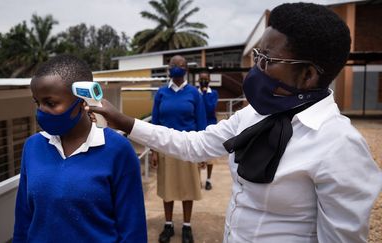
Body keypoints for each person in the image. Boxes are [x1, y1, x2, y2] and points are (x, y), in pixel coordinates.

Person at [87, 3, 382, 242]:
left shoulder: (339, 146)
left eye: (267, 59)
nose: (256, 68)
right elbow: (194, 144)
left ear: (308, 75)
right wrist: (123, 120)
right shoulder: (253, 115)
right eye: (257, 55)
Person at [12, 54, 147, 243]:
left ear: (83, 100)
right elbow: (23, 218)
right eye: (37, 102)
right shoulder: (33, 147)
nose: (41, 110)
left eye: (50, 103)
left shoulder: (117, 150)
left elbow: (133, 230)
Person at [149, 55, 207, 243]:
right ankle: (168, 224)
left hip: (188, 147)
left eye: (180, 65)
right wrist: (154, 151)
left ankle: (187, 226)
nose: (176, 68)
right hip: (166, 147)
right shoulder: (161, 93)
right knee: (168, 188)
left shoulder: (194, 94)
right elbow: (155, 124)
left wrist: (203, 152)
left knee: (187, 188)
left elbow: (201, 123)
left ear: (186, 69)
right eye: (173, 65)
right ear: (168, 69)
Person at [198, 70, 219, 190]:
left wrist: (205, 94)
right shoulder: (195, 93)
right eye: (201, 79)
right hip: (197, 129)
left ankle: (208, 180)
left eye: (205, 79)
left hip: (210, 128)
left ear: (209, 80)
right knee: (197, 155)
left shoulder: (213, 93)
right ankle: (198, 180)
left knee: (210, 157)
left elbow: (210, 109)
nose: (203, 81)